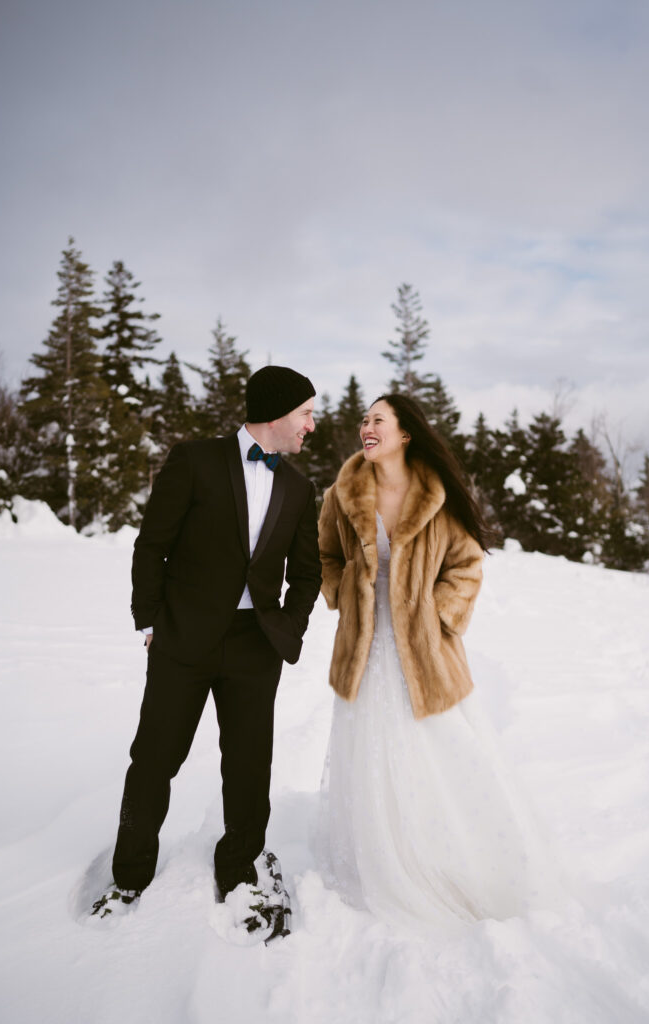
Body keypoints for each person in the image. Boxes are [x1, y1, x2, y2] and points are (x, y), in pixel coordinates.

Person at [315, 393, 563, 935]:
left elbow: (468, 563)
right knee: (370, 753)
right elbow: (328, 556)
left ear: (406, 433)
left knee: (443, 753)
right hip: (363, 650)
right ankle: (383, 856)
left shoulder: (436, 493)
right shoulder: (343, 492)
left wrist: (438, 616)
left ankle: (457, 859)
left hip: (425, 655)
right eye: (364, 420)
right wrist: (339, 592)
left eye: (377, 420)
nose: (366, 428)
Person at [92, 365, 322, 920]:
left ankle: (239, 870)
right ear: (277, 411)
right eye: (307, 413)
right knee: (153, 759)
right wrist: (149, 620)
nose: (311, 426)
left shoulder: (298, 487)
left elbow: (308, 572)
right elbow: (152, 545)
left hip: (254, 647)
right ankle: (129, 878)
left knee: (248, 766)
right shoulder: (194, 460)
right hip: (183, 638)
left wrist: (285, 629)